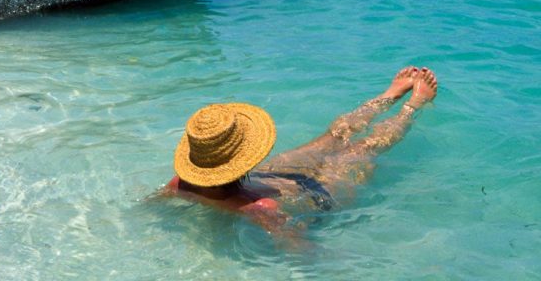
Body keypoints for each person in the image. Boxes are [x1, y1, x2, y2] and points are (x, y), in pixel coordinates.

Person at [160, 67, 438, 244]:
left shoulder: (178, 185)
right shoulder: (261, 209)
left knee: (338, 139)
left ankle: (391, 96)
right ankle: (413, 104)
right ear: (243, 156)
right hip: (318, 194)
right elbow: (301, 249)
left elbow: (147, 208)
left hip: (271, 177)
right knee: (360, 146)